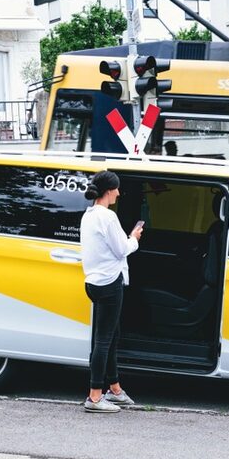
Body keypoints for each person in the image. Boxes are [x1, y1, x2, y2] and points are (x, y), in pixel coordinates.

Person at [79, 170, 143, 413]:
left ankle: (114, 389)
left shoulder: (89, 215)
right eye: (116, 188)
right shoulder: (107, 217)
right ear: (108, 191)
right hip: (109, 283)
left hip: (94, 282)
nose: (118, 192)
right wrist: (134, 237)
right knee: (104, 340)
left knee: (110, 337)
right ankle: (95, 397)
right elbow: (122, 249)